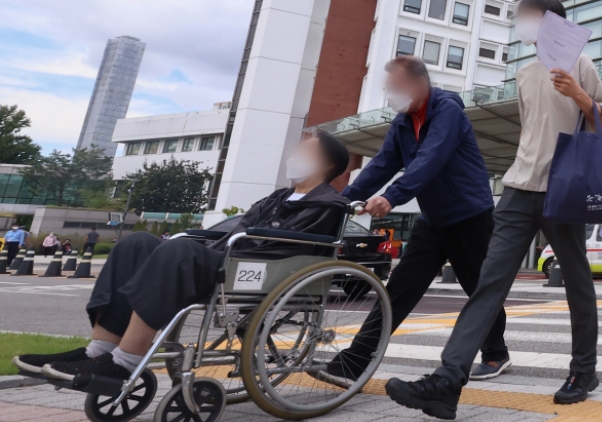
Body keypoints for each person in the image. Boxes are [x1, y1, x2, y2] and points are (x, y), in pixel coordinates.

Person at [385, 0, 602, 420]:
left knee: (577, 282)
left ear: (552, 24)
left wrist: (578, 94)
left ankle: (584, 371)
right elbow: (533, 134)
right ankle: (447, 380)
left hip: (564, 189)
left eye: (528, 18)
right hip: (518, 189)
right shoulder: (525, 75)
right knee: (489, 282)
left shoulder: (582, 65)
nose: (520, 26)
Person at [13, 133, 351, 384]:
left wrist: (211, 250)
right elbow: (240, 228)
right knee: (137, 244)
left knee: (180, 250)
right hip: (230, 258)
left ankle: (125, 362)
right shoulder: (277, 197)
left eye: (306, 150)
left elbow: (284, 246)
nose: (296, 154)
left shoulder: (328, 204)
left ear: (326, 163)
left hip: (258, 269)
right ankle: (98, 353)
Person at [312, 55, 511, 389]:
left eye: (398, 87)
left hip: (469, 216)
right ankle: (353, 363)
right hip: (433, 220)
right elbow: (382, 164)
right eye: (389, 88)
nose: (392, 94)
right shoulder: (402, 123)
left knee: (480, 289)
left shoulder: (448, 111)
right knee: (400, 290)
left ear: (420, 85)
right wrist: (338, 201)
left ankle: (495, 353)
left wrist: (392, 197)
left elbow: (431, 158)